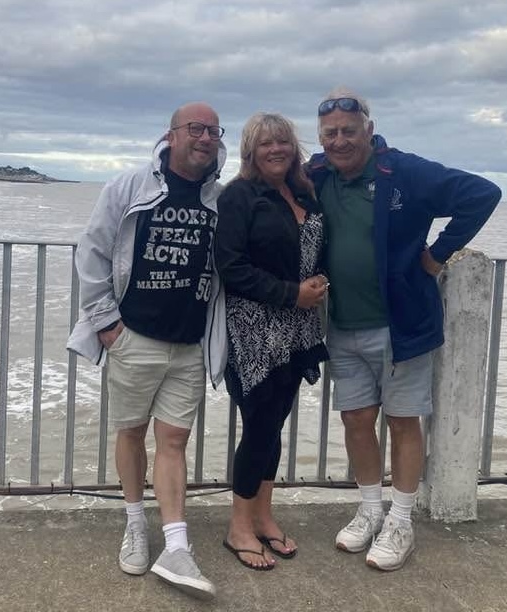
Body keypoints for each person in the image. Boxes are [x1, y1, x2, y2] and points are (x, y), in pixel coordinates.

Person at [306, 88, 501, 571]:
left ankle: (401, 521)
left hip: (401, 326)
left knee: (402, 421)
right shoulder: (317, 173)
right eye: (330, 133)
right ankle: (370, 510)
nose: (339, 141)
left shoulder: (405, 172)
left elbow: (482, 194)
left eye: (349, 131)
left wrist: (437, 255)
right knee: (356, 420)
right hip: (343, 326)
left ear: (369, 130)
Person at [67, 102, 228, 598]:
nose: (205, 138)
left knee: (174, 442)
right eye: (195, 128)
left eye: (213, 131)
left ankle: (176, 546)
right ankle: (136, 523)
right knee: (132, 433)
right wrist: (106, 324)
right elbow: (93, 250)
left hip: (189, 343)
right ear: (171, 135)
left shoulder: (219, 198)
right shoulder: (129, 187)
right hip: (133, 336)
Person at [215, 112, 329, 571]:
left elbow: (314, 252)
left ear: (293, 148)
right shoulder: (239, 196)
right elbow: (231, 267)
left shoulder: (303, 193)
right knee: (260, 426)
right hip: (254, 332)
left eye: (282, 141)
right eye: (265, 143)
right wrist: (290, 293)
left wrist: (319, 281)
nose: (276, 149)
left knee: (275, 424)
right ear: (250, 152)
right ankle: (238, 526)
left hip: (298, 328)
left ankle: (263, 516)